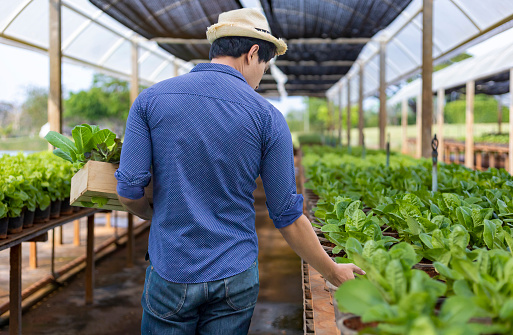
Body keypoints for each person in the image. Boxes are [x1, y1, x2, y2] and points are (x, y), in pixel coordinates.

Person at [115, 7, 365, 335]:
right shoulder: (268, 116)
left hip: (172, 268)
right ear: (252, 54)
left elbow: (129, 190)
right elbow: (287, 216)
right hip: (235, 273)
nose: (261, 75)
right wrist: (332, 271)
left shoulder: (149, 101)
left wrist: (158, 214)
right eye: (265, 65)